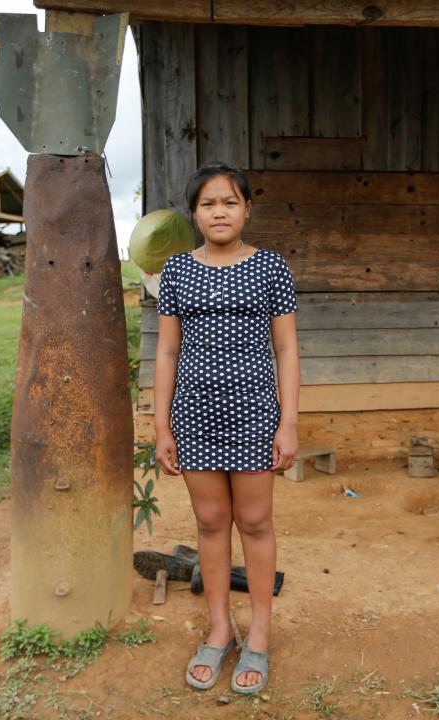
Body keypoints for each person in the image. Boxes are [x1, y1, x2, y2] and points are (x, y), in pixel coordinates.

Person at [153, 163, 300, 694]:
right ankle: (220, 627)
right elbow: (167, 349)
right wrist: (161, 421)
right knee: (211, 522)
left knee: (256, 521)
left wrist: (288, 421)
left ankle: (258, 632)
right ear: (193, 213)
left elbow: (285, 348)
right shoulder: (176, 272)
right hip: (194, 417)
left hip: (257, 415)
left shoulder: (270, 269)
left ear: (247, 210)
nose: (220, 212)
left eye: (230, 202)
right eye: (209, 203)